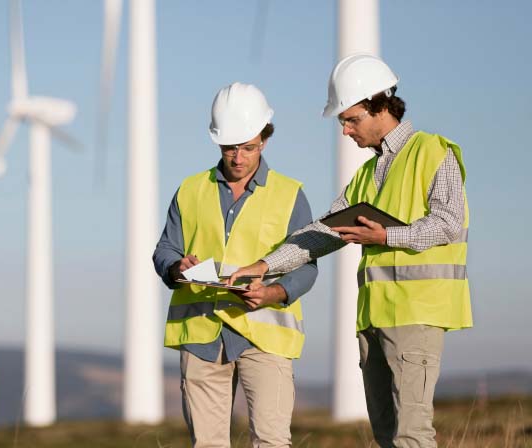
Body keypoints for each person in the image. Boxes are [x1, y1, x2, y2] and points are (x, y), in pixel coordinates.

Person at [228, 54, 471, 448]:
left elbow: (449, 223)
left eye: (351, 119)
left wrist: (388, 237)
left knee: (412, 435)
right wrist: (263, 265)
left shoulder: (433, 152)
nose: (344, 131)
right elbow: (324, 232)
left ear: (379, 106)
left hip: (418, 314)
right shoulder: (367, 174)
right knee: (387, 435)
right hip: (374, 318)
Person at [153, 82, 318, 448]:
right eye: (230, 148)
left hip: (265, 336)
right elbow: (165, 248)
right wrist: (177, 267)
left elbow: (307, 265)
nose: (239, 157)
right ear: (217, 142)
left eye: (248, 147)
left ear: (265, 139)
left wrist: (274, 291)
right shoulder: (190, 190)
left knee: (271, 441)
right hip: (201, 335)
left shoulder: (289, 194)